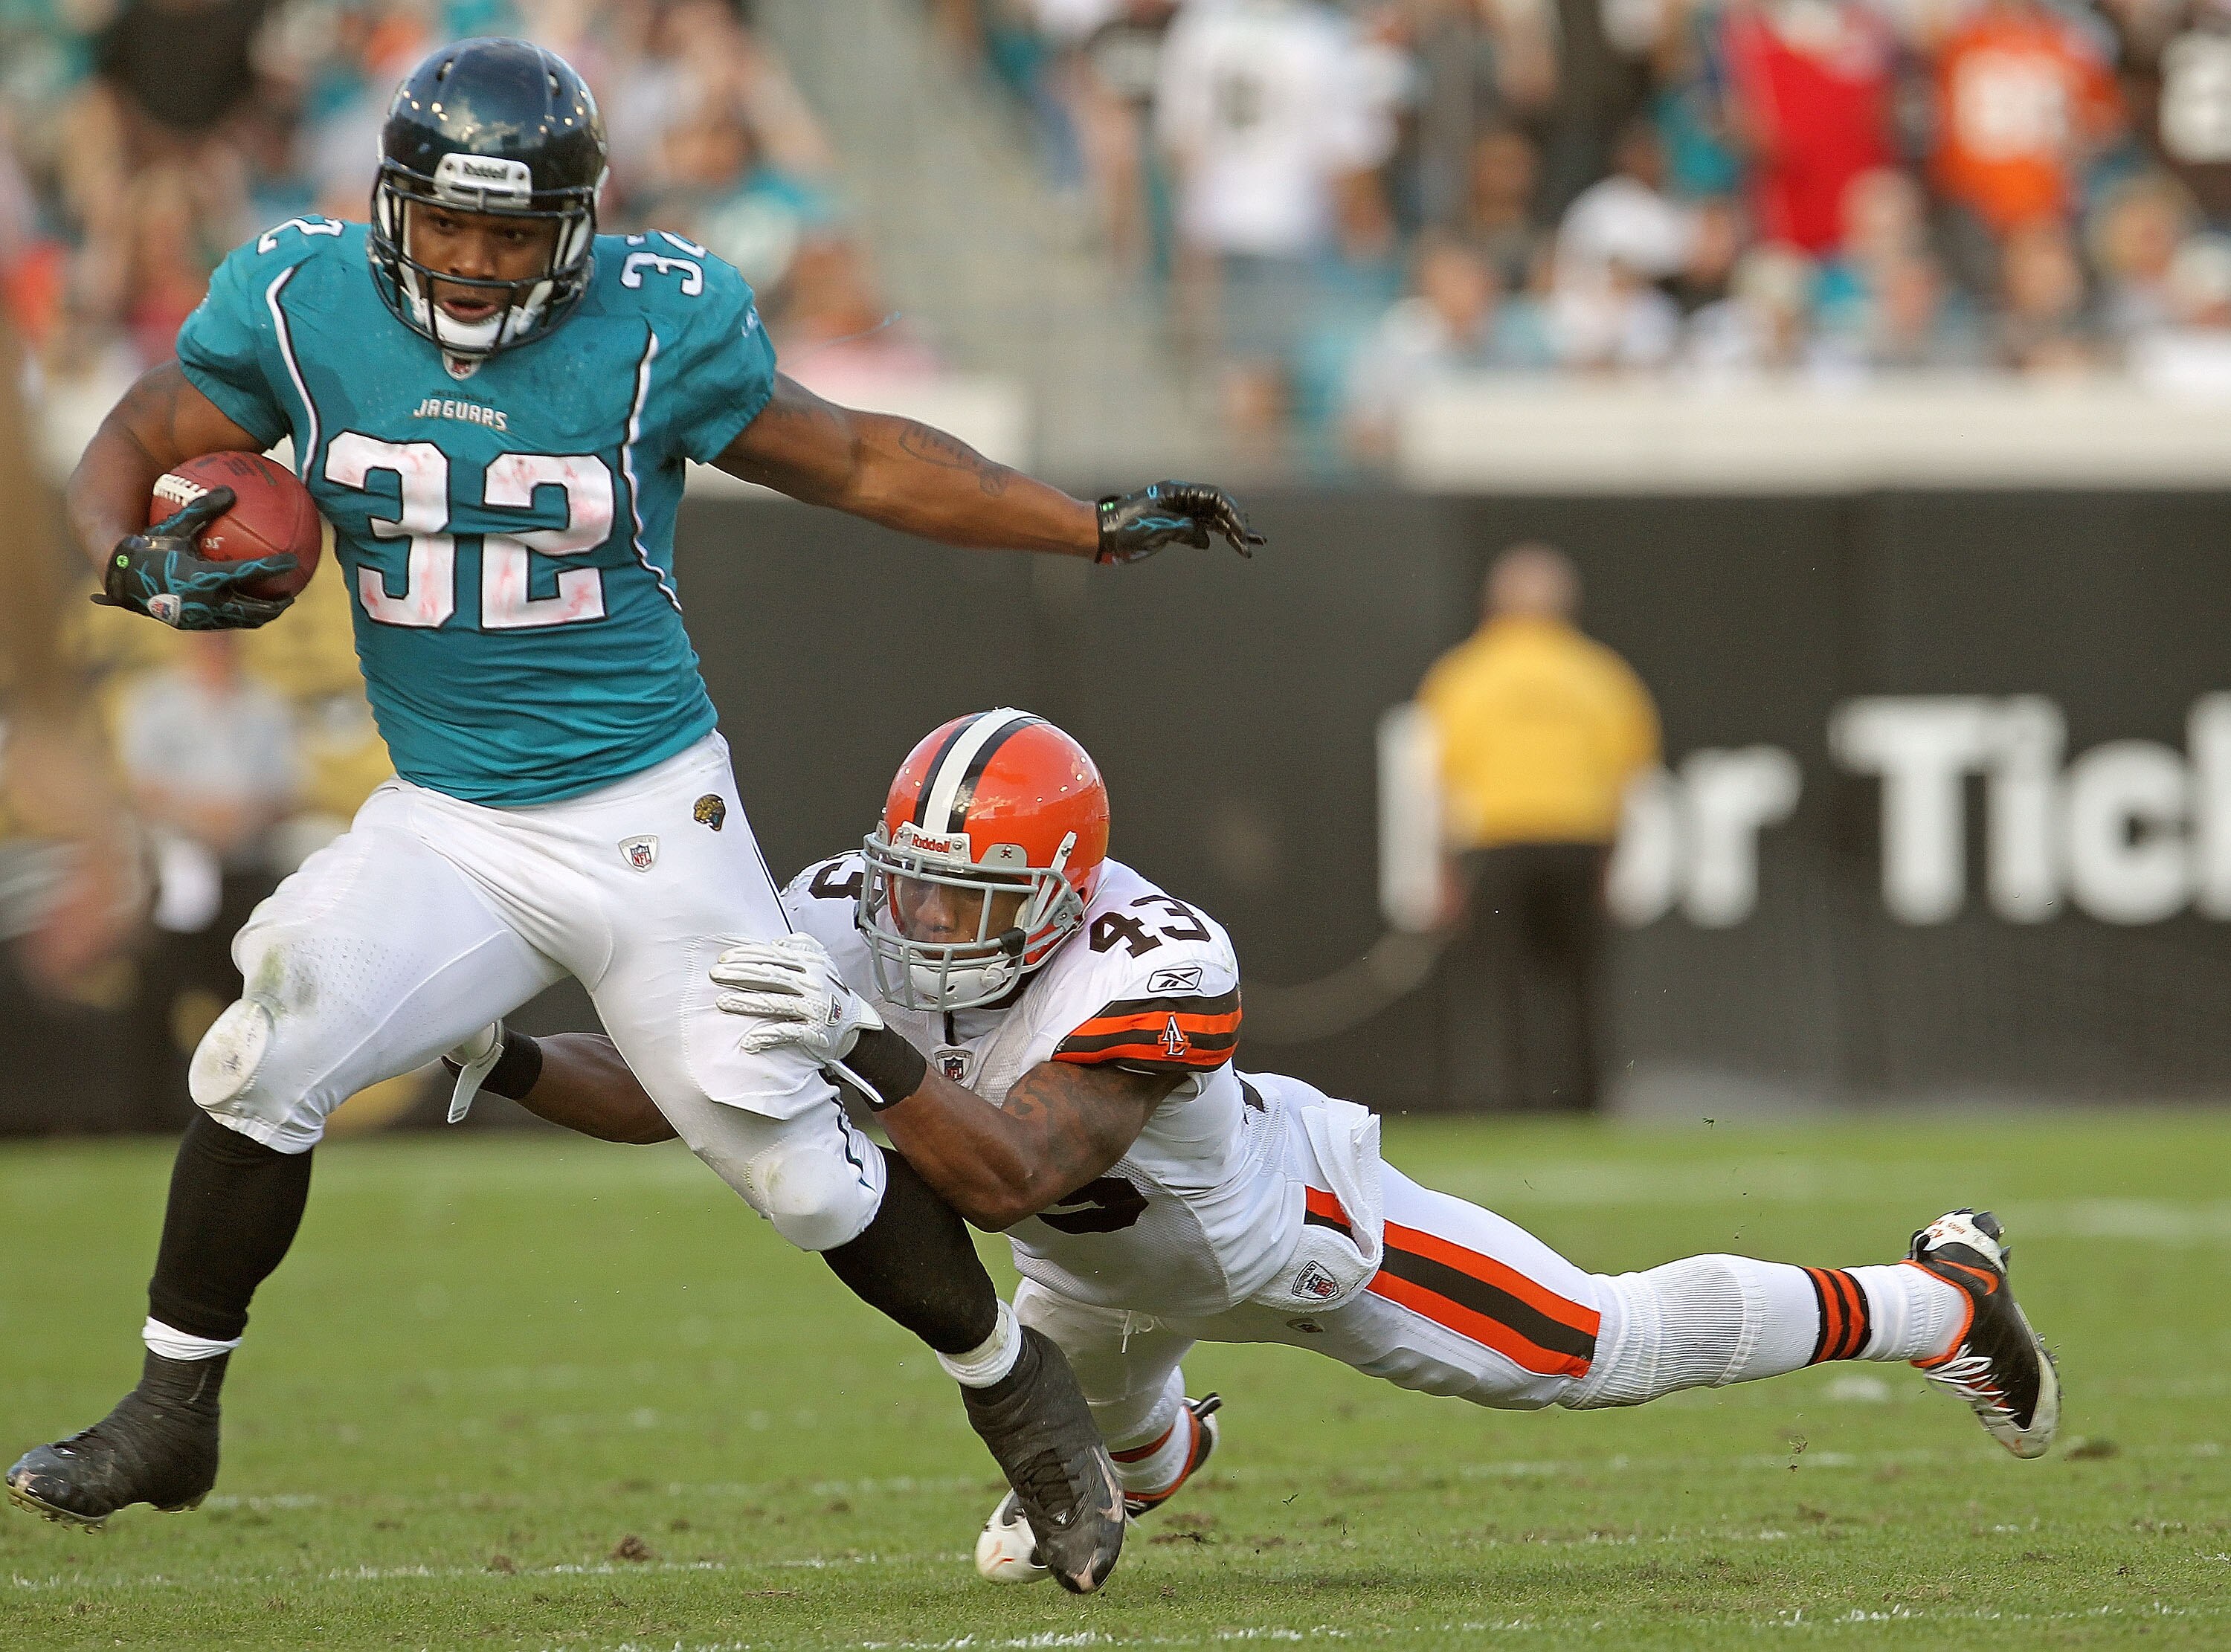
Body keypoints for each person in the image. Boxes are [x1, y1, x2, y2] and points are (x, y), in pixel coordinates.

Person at [5, 37, 1262, 1598]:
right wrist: (121, 555)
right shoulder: (297, 298)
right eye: (450, 227)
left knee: (794, 1158)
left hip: (648, 813)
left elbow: (861, 456)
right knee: (264, 1049)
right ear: (394, 206)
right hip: (446, 817)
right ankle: (172, 1405)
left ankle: (1037, 1416)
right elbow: (132, 431)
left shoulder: (660, 325)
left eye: (511, 234)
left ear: (577, 227)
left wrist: (1077, 525)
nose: (473, 264)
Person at [445, 708, 2061, 1584]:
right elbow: (686, 1085)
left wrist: (857, 1044)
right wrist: (501, 1053)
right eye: (915, 886)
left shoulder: (1156, 956)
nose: (925, 925)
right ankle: (1165, 1457)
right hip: (1090, 1268)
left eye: (969, 901)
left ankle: (1941, 1301)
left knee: (1594, 1344)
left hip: (1290, 1237)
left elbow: (1010, 1164)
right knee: (1117, 1442)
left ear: (1065, 892)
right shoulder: (852, 917)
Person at [1416, 544, 1656, 1113]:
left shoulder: (1466, 673)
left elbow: (1440, 783)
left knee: (1502, 985)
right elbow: (1631, 775)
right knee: (1579, 986)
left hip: (1498, 846)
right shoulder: (1601, 674)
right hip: (1578, 841)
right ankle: (1584, 1099)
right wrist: (1610, 862)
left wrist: (1444, 872)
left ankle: (1508, 1099)